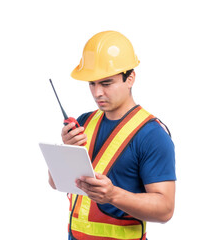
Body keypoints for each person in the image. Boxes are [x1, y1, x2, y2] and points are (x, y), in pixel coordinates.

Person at [49, 30, 176, 240]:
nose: (97, 93)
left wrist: (113, 195)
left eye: (106, 83)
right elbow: (55, 183)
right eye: (92, 83)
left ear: (130, 78)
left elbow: (165, 210)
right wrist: (66, 150)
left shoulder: (152, 135)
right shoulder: (83, 122)